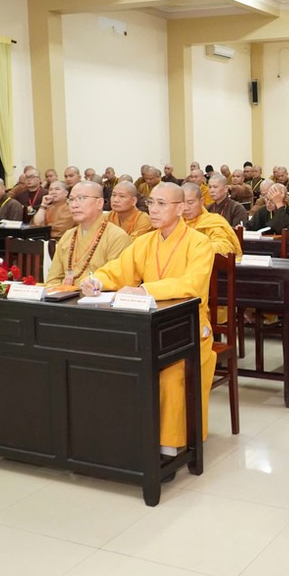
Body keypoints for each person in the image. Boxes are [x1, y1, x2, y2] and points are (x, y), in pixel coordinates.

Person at [81, 182, 215, 457]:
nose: (153, 209)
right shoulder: (144, 242)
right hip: (150, 322)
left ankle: (170, 442)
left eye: (162, 204)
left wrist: (146, 289)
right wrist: (95, 281)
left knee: (170, 373)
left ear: (180, 209)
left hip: (188, 326)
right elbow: (117, 271)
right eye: (151, 203)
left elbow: (193, 284)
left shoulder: (200, 243)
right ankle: (132, 433)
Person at [46, 181, 131, 286]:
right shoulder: (68, 235)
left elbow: (116, 280)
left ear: (99, 203)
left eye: (81, 198)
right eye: (71, 199)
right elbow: (53, 279)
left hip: (97, 299)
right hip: (63, 298)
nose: (74, 205)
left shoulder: (117, 237)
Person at [182, 182, 243, 257]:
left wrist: (195, 247)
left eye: (190, 203)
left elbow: (225, 247)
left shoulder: (212, 222)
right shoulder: (175, 222)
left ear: (201, 202)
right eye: (182, 203)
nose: (185, 208)